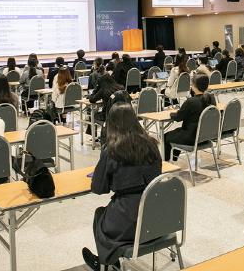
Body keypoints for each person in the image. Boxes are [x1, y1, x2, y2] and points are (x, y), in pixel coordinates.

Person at [82, 102, 162, 270]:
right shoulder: (152, 145)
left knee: (100, 215)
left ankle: (104, 261)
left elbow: (98, 188)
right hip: (154, 218)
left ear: (111, 124)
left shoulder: (111, 150)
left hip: (127, 218)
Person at [164, 74, 216, 161]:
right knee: (177, 132)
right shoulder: (211, 98)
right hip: (205, 137)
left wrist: (171, 114)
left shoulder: (191, 102)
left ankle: (167, 164)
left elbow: (178, 118)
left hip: (191, 137)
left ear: (194, 86)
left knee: (166, 136)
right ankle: (174, 158)